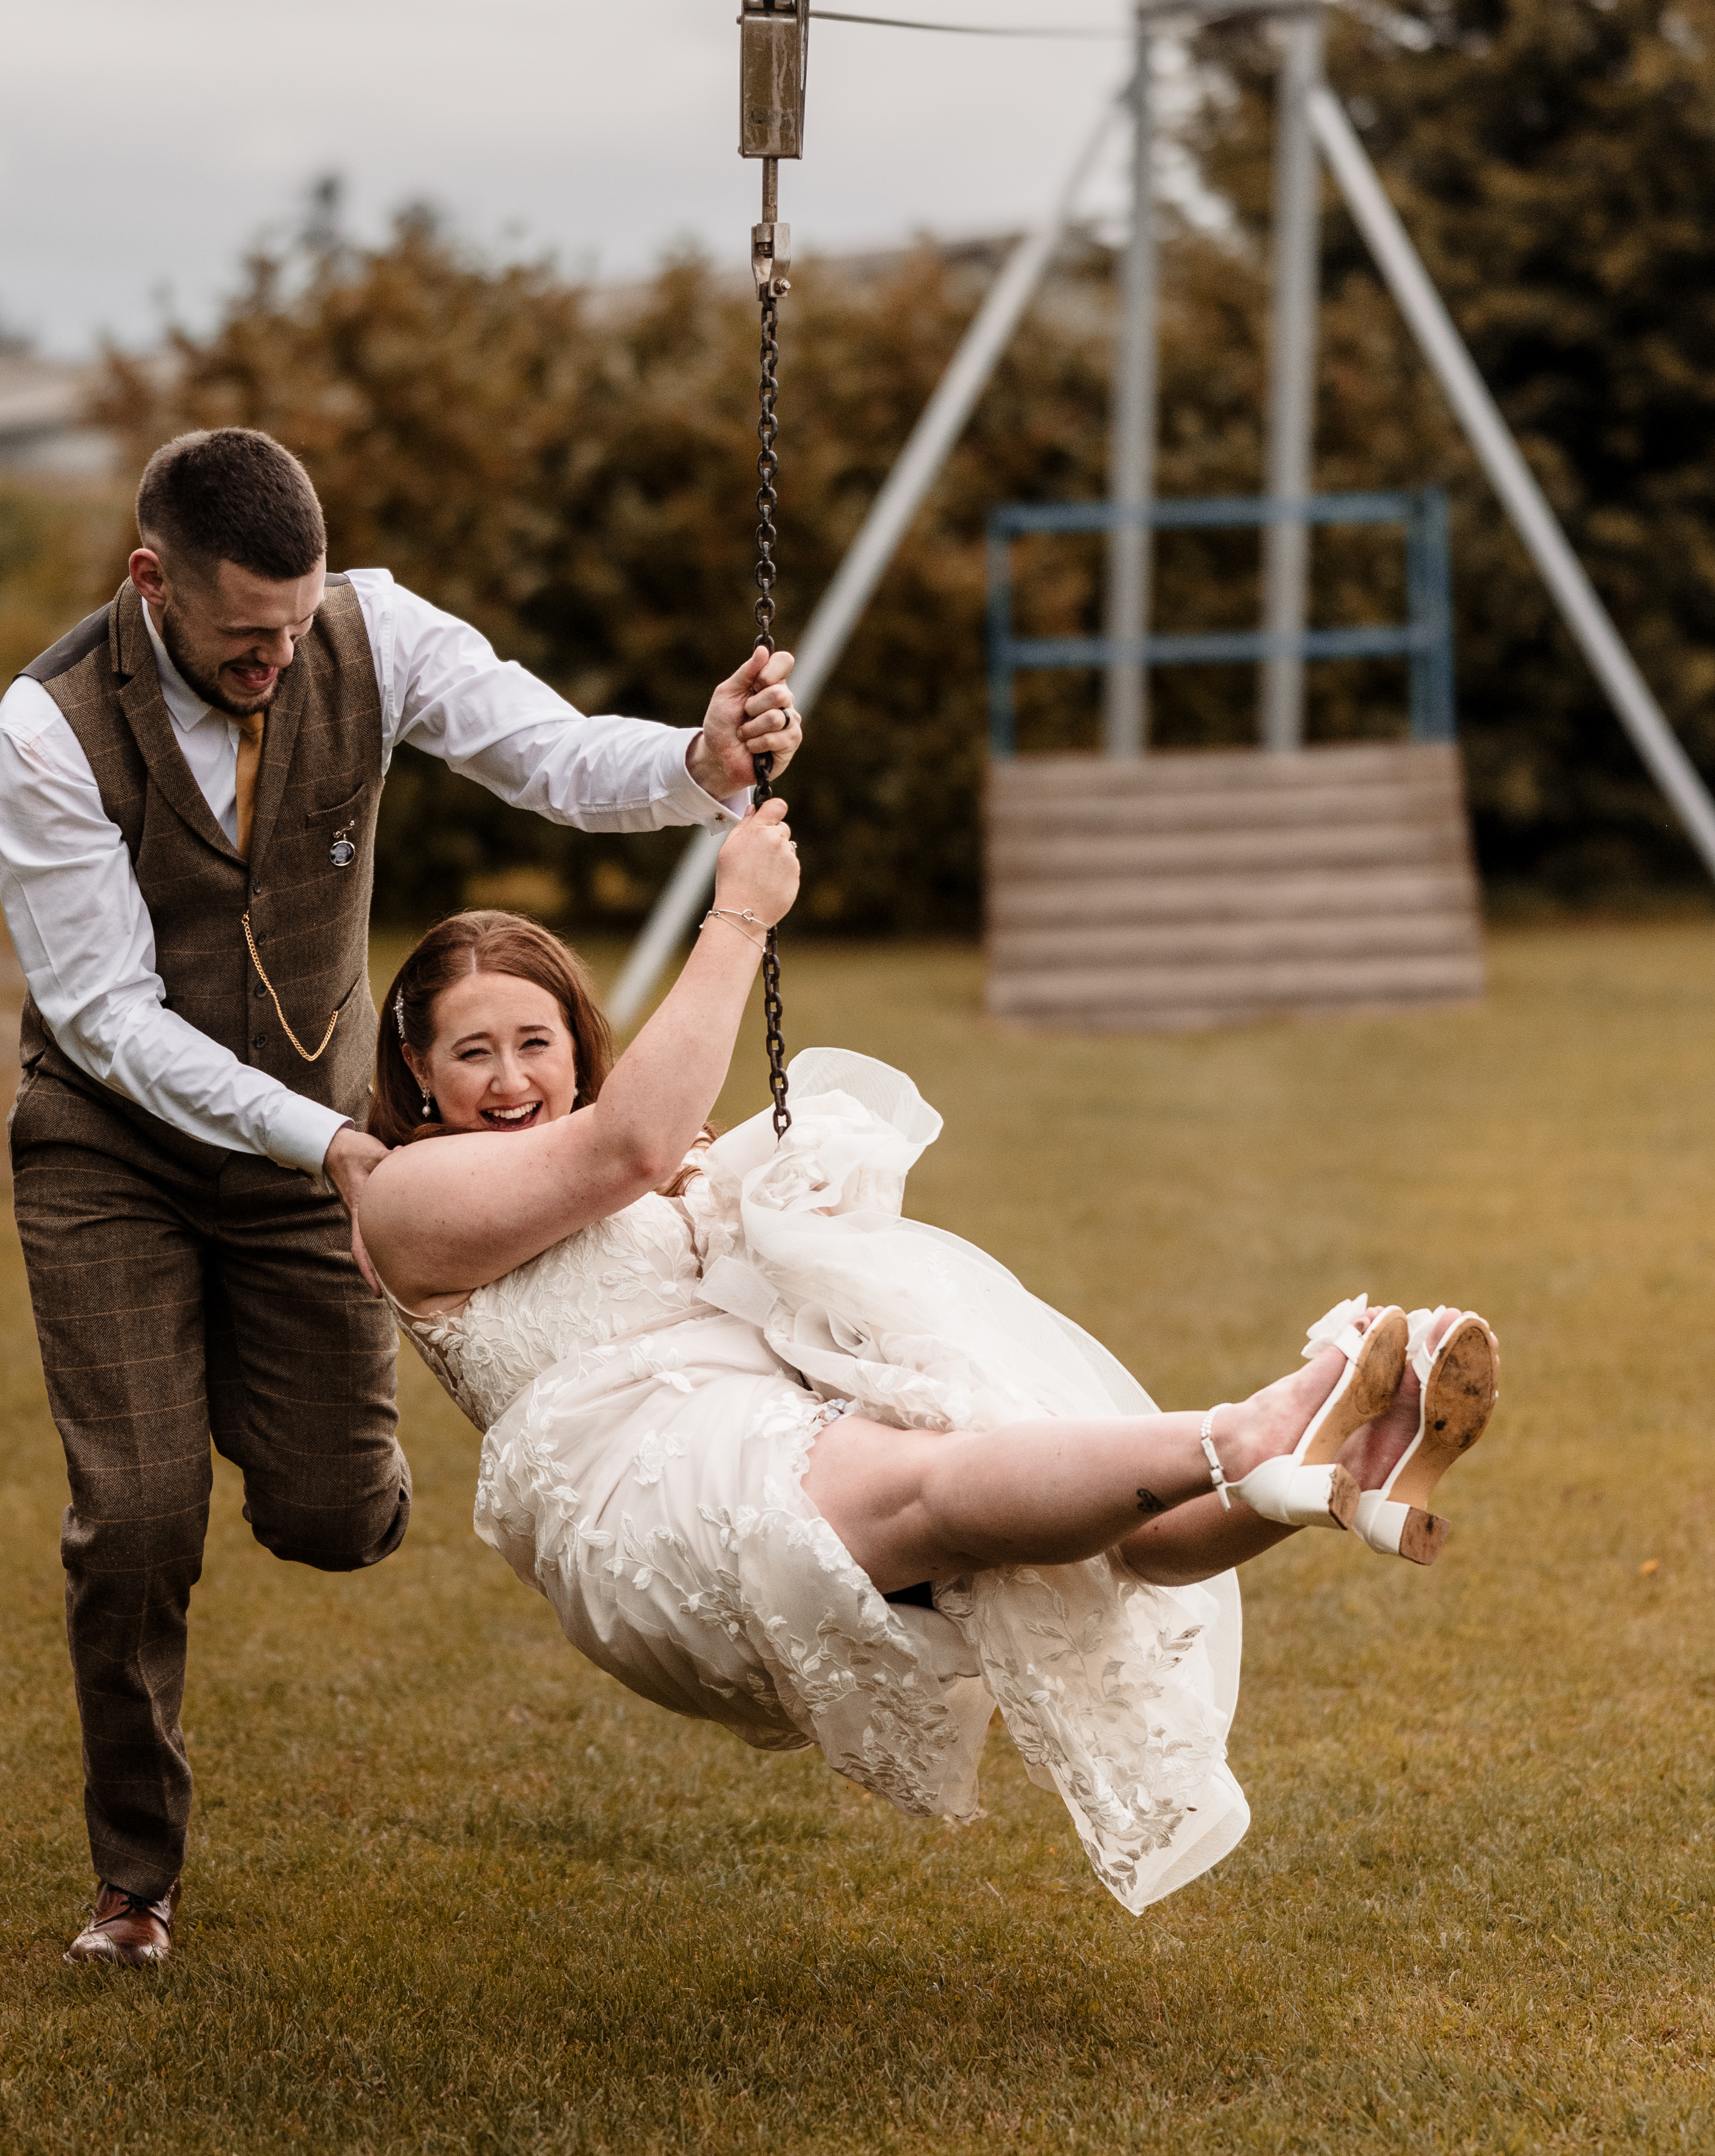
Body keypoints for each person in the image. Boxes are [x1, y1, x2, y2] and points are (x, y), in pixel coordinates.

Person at [357, 805, 1501, 1915]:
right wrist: (739, 919)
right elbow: (632, 1141)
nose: (509, 1080)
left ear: (575, 1045)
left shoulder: (624, 1158)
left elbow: (656, 1160)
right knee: (941, 1487)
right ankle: (1260, 1424)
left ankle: (1335, 1462)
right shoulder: (408, 1195)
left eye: (533, 1044)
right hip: (648, 1479)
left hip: (784, 1411)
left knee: (1111, 1535)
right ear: (414, 1065)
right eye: (473, 1052)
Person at [0, 422, 804, 1964]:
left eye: (293, 629)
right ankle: (133, 1883)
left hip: (315, 1156)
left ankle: (244, 1384)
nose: (277, 662)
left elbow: (551, 755)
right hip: (113, 1152)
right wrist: (335, 1144)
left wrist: (696, 762)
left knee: (336, 1513)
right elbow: (106, 1013)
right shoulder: (43, 730)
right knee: (139, 1513)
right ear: (149, 579)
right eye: (242, 636)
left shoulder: (374, 630)